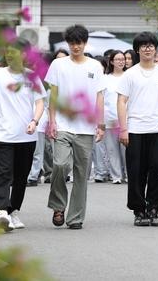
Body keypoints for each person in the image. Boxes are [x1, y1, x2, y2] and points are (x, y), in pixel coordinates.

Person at [0, 42, 45, 232]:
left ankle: (14, 211)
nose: (9, 56)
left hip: (26, 136)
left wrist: (35, 120)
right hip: (2, 135)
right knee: (3, 173)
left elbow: (40, 103)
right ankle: (3, 212)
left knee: (21, 177)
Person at [46, 25, 105, 230]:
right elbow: (52, 94)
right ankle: (58, 206)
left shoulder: (96, 66)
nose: (75, 46)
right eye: (72, 43)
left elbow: (99, 96)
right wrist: (51, 120)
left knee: (82, 174)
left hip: (86, 128)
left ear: (84, 43)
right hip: (62, 124)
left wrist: (101, 124)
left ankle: (76, 217)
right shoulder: (58, 64)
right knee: (60, 165)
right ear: (68, 44)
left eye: (79, 43)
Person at [117, 32, 158, 226]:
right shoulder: (130, 74)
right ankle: (139, 210)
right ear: (137, 49)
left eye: (151, 45)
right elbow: (122, 101)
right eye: (143, 46)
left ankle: (153, 207)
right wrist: (123, 129)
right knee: (136, 172)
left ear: (156, 48)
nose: (147, 48)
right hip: (135, 130)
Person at [102, 50, 127, 184]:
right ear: (111, 61)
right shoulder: (106, 79)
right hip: (110, 118)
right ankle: (116, 175)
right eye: (117, 59)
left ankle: (129, 174)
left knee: (127, 149)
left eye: (122, 59)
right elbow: (101, 99)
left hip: (126, 119)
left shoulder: (129, 76)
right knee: (112, 149)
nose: (121, 61)